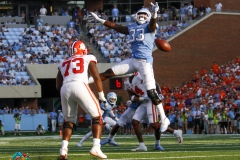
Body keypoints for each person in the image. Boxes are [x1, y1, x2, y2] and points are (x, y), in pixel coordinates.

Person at [90, 2, 170, 133]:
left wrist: (155, 13)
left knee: (151, 92)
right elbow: (116, 26)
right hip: (133, 60)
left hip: (145, 62)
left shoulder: (150, 26)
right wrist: (100, 20)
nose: (142, 16)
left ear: (148, 16)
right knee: (109, 73)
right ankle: (86, 81)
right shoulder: (132, 27)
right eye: (140, 14)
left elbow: (153, 24)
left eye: (145, 14)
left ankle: (164, 118)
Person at [101, 73, 183, 151]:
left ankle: (168, 137)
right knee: (135, 121)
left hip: (151, 100)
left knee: (153, 124)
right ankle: (142, 145)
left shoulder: (139, 76)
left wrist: (159, 93)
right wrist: (136, 99)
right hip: (143, 101)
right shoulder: (126, 81)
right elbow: (130, 95)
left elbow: (155, 83)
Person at [56, 40, 107, 159]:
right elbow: (96, 77)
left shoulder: (63, 62)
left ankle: (63, 150)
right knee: (97, 116)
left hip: (65, 88)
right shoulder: (88, 57)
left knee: (68, 121)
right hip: (80, 84)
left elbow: (58, 86)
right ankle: (96, 147)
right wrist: (101, 96)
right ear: (83, 50)